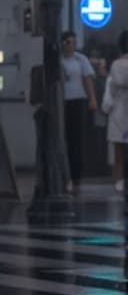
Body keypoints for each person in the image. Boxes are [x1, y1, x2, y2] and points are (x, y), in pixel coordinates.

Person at [58, 30, 96, 188]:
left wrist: (92, 98)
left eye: (72, 42)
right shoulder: (57, 60)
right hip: (61, 102)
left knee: (76, 140)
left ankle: (76, 177)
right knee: (61, 140)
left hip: (77, 101)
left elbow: (87, 79)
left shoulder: (80, 59)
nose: (70, 46)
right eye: (67, 42)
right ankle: (62, 176)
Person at [104, 44, 128, 188]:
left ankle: (119, 180)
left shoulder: (116, 65)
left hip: (118, 112)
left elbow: (111, 89)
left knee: (118, 151)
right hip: (120, 110)